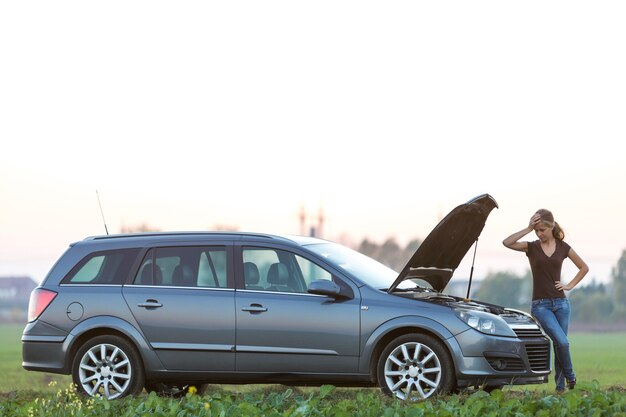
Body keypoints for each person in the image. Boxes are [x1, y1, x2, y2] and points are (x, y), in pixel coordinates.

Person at [502, 208, 589, 393]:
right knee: (563, 342)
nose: (539, 233)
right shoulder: (531, 247)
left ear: (551, 227)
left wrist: (569, 285)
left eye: (542, 229)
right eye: (536, 230)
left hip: (561, 304)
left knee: (560, 344)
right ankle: (571, 376)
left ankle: (559, 388)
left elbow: (583, 267)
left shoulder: (563, 247)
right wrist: (527, 228)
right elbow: (507, 242)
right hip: (540, 306)